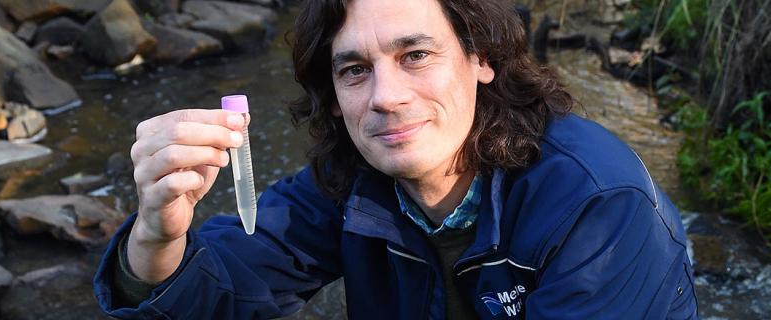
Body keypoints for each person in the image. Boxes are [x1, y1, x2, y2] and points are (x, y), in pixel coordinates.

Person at [92, 0, 698, 318]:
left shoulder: (596, 202)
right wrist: (155, 236)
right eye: (356, 70)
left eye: (415, 55)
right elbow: (215, 298)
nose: (386, 98)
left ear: (480, 58)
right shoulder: (353, 186)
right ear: (333, 99)